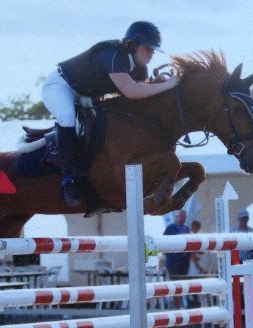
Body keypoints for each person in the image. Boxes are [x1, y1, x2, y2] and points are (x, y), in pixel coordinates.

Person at [42, 21, 179, 207]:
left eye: (153, 49)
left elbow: (143, 92)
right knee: (67, 118)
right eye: (148, 48)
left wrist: (159, 83)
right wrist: (167, 85)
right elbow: (131, 91)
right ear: (134, 44)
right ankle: (69, 181)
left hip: (85, 95)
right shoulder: (113, 55)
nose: (152, 53)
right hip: (60, 87)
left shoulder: (139, 68)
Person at [164, 210, 191, 308]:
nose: (183, 218)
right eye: (181, 216)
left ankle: (184, 305)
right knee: (176, 284)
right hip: (173, 262)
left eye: (185, 216)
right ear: (176, 217)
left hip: (184, 262)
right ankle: (178, 306)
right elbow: (165, 244)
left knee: (183, 283)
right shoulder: (170, 228)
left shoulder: (187, 229)